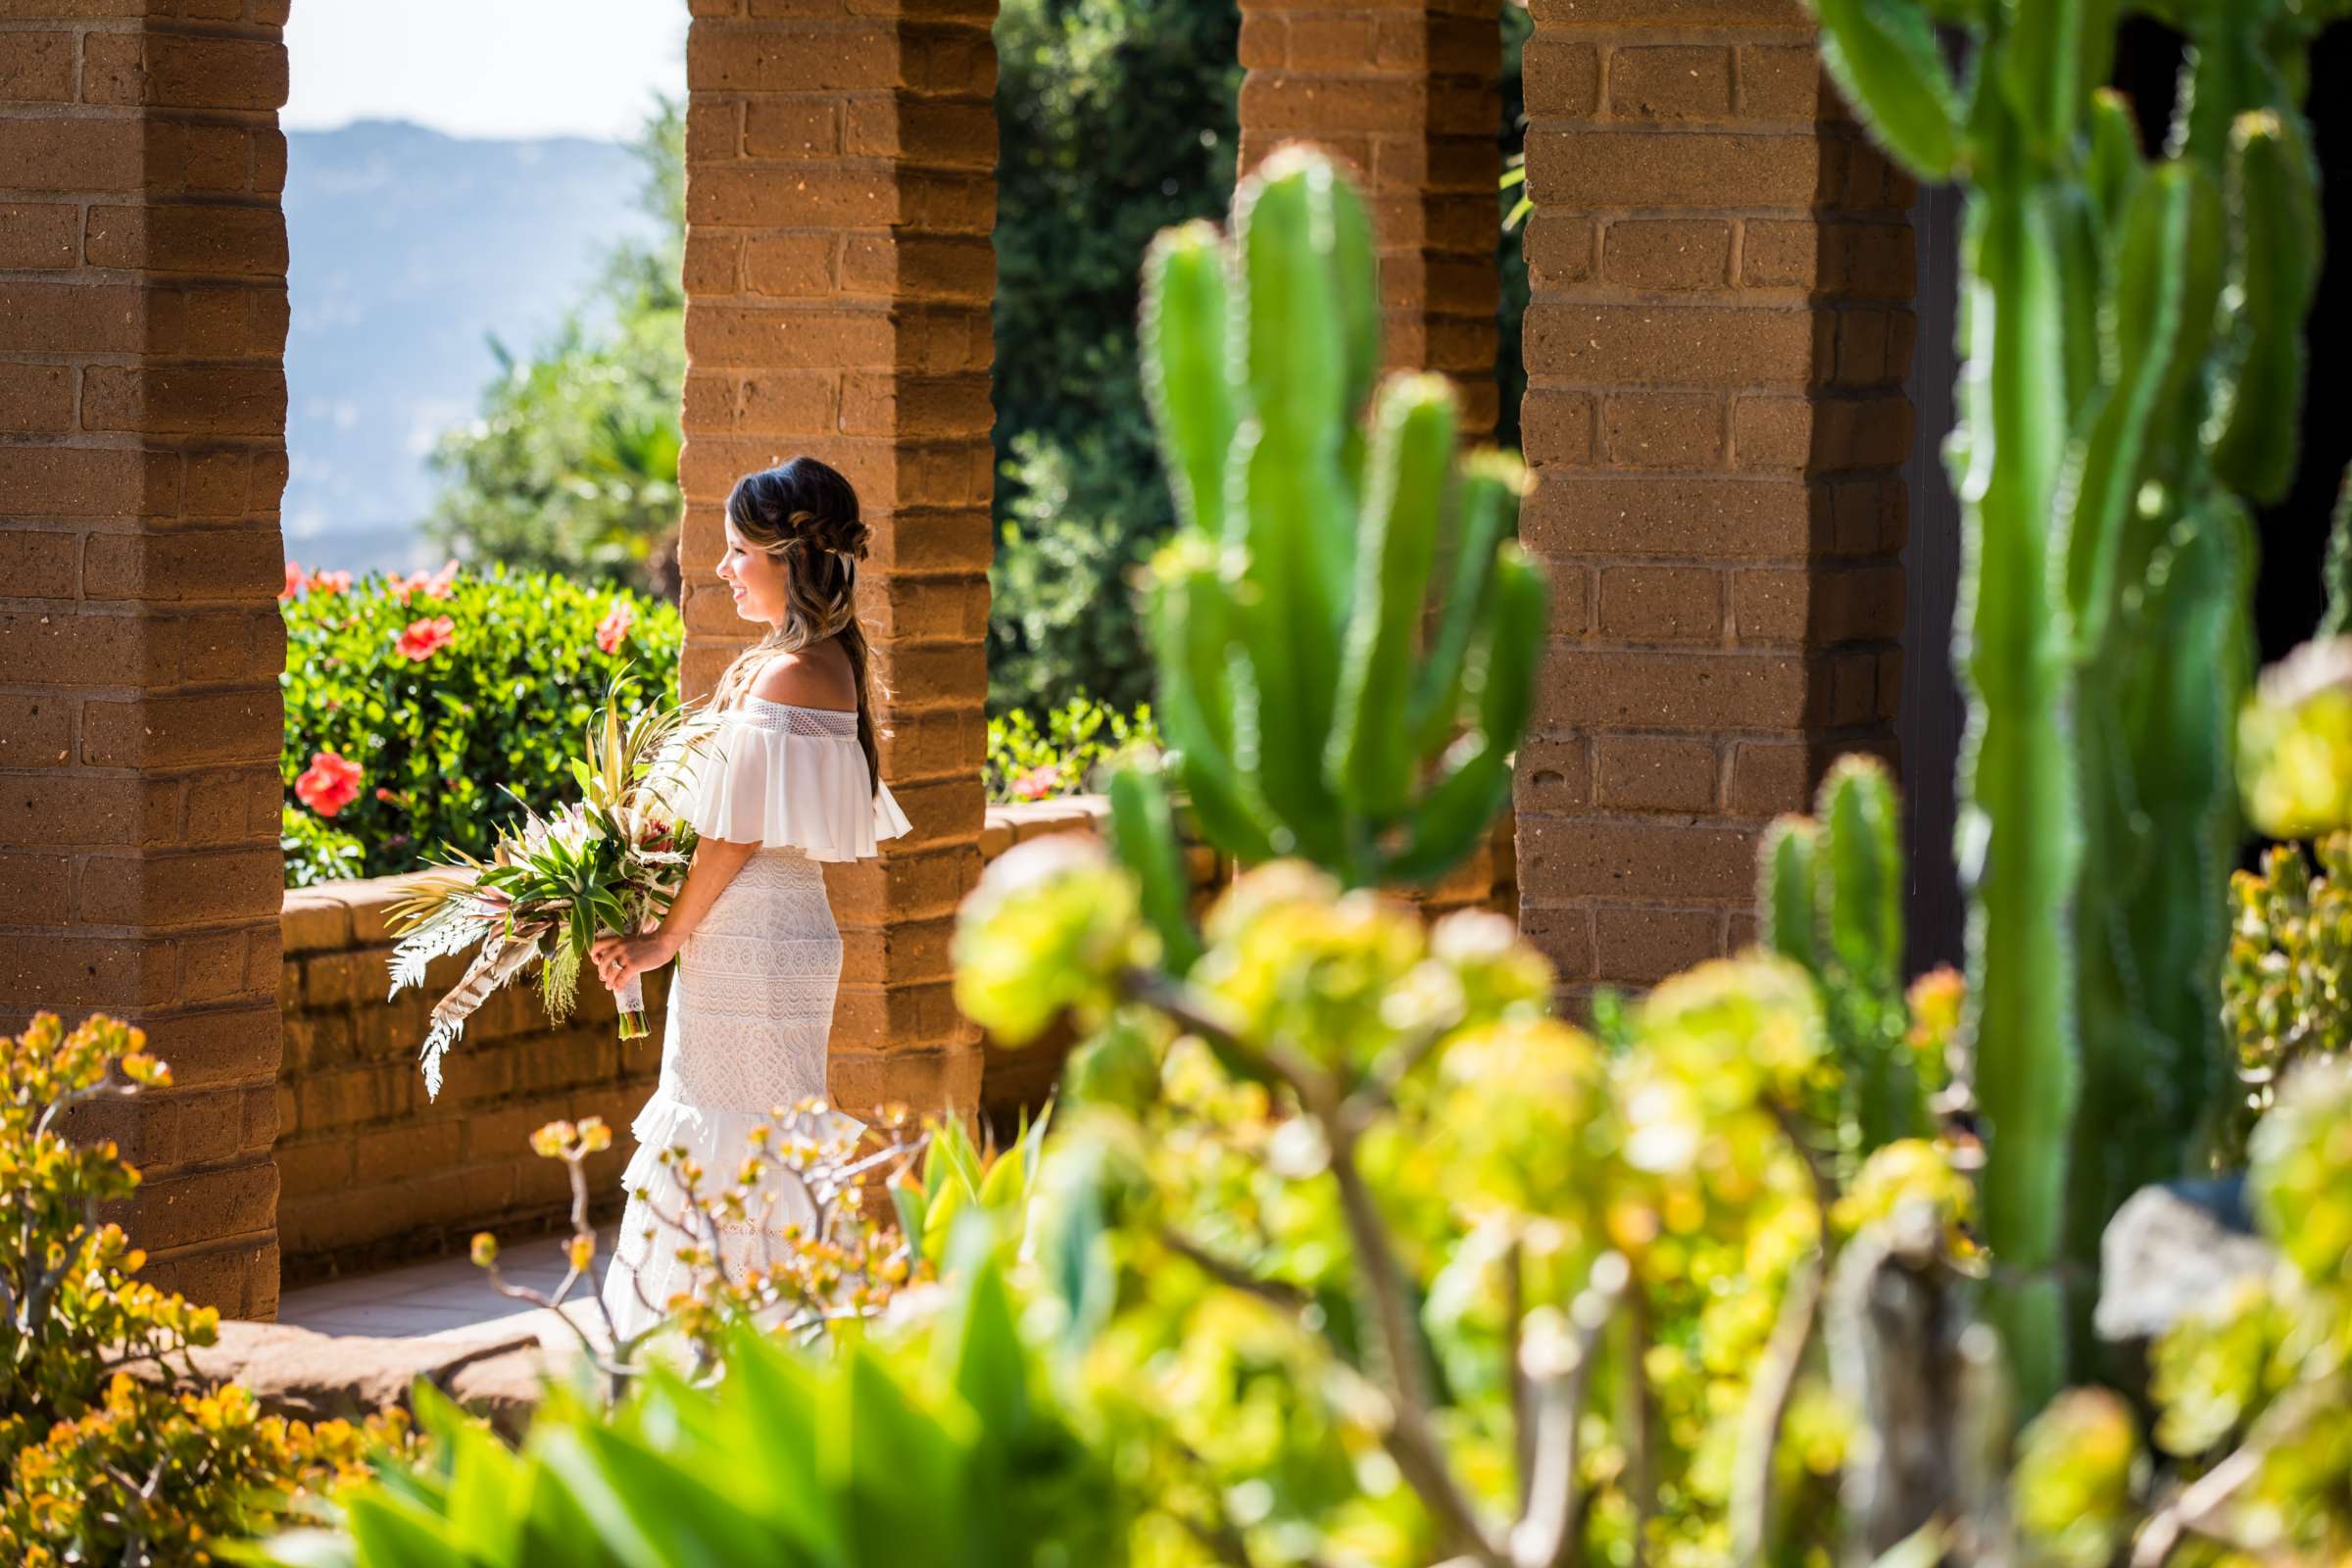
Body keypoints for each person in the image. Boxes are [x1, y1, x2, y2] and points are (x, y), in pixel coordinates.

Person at [587, 457, 909, 1346]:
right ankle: (766, 1335)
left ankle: (729, 1350)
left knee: (731, 1142)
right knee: (759, 1139)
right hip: (772, 934)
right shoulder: (824, 662)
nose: (723, 569)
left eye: (738, 552)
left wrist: (662, 940)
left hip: (751, 944)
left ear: (790, 556)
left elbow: (732, 834)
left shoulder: (789, 674)